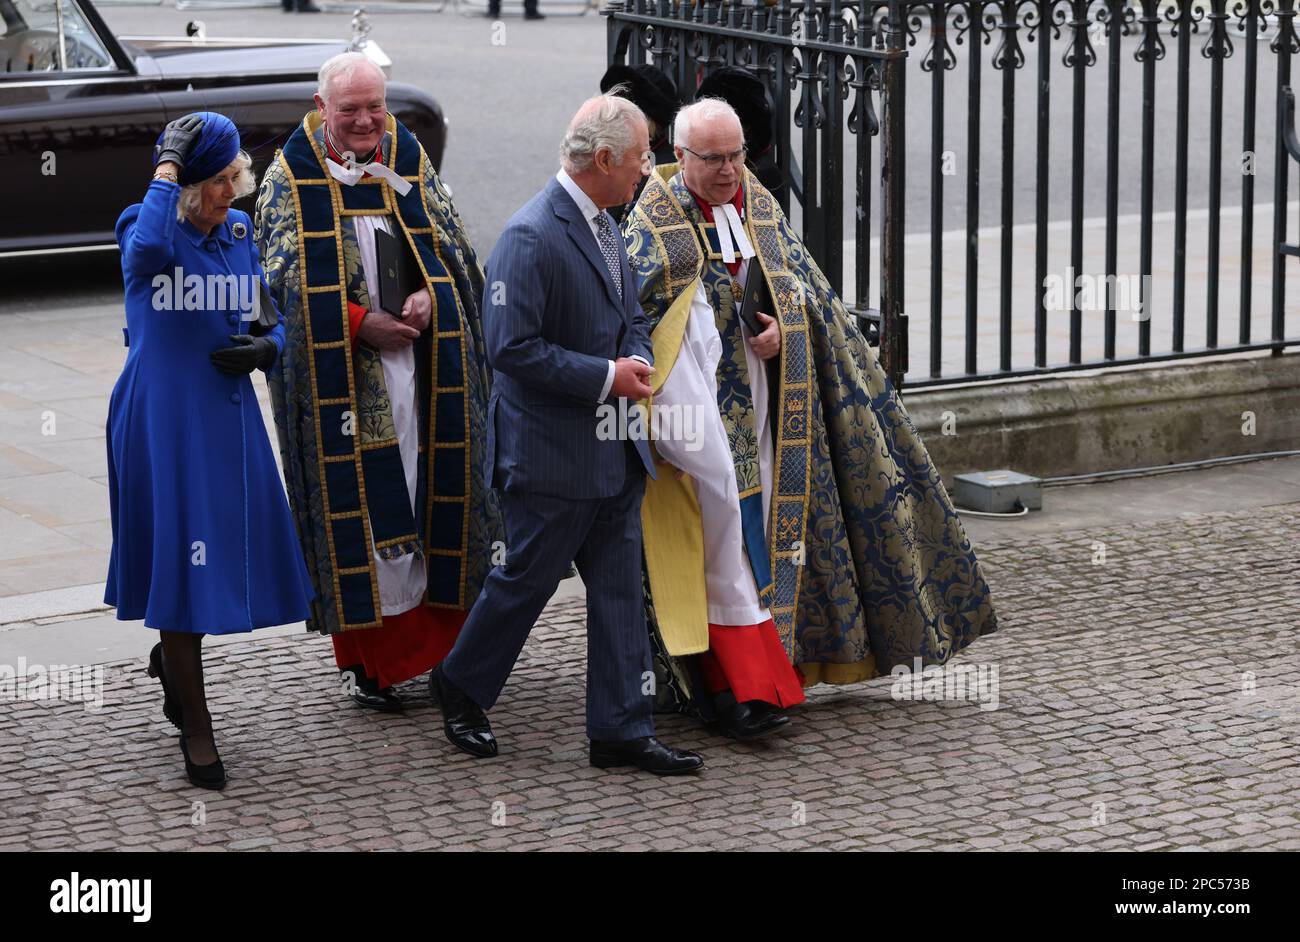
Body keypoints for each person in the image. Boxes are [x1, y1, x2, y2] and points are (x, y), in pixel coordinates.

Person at [624, 98, 998, 737]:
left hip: (767, 413)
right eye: (713, 159)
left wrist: (781, 334)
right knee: (721, 546)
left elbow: (803, 294)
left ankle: (772, 672)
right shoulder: (654, 225)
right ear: (679, 156)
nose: (729, 171)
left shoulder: (758, 204)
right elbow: (639, 317)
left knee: (761, 538)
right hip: (695, 421)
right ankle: (732, 687)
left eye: (738, 155)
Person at [429, 94, 703, 776]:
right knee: (525, 580)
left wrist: (634, 357)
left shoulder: (609, 222)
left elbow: (629, 313)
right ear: (604, 159)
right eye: (642, 157)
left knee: (616, 591)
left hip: (614, 449)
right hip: (551, 454)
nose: (650, 169)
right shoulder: (531, 236)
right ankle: (461, 683)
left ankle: (620, 728)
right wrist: (608, 375)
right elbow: (510, 348)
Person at [255, 53, 502, 715]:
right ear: (320, 106)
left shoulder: (407, 155)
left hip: (422, 373)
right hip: (344, 380)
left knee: (430, 494)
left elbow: (454, 250)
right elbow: (276, 285)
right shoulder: (290, 176)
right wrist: (359, 323)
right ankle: (374, 663)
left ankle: (446, 649)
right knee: (364, 519)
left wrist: (429, 297)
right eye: (349, 110)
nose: (365, 122)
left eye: (375, 107)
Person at [105, 111, 315, 790]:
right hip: (164, 421)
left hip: (226, 419)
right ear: (188, 184)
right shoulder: (146, 225)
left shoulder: (238, 232)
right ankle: (197, 726)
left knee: (218, 559)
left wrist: (267, 348)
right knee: (183, 570)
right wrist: (166, 168)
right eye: (221, 179)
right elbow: (144, 258)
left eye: (238, 176)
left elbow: (268, 316)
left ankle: (172, 665)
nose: (236, 189)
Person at [600, 64, 679, 222]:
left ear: (646, 120)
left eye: (622, 111)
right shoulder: (608, 150)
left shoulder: (666, 169)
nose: (610, 116)